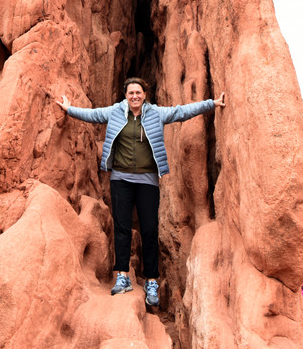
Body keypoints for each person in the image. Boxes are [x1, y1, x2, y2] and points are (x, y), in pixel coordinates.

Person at [56, 78, 226, 306]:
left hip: (147, 181)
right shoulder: (116, 112)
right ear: (125, 95)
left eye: (138, 92)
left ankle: (152, 281)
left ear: (145, 94)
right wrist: (69, 110)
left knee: (149, 230)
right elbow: (94, 115)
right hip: (121, 180)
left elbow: (182, 112)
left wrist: (211, 103)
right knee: (122, 229)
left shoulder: (156, 114)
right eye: (130, 93)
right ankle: (123, 276)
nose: (134, 96)